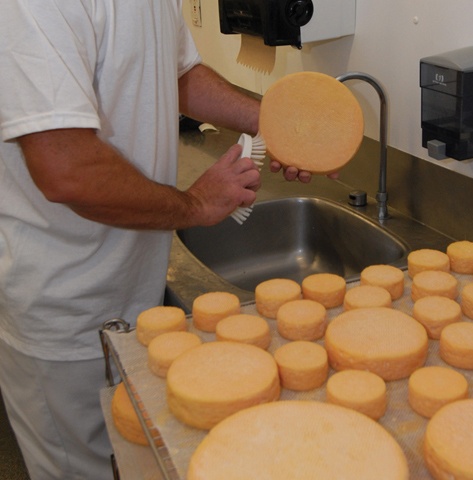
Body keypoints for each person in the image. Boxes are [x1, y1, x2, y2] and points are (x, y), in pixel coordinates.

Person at [0, 2, 313, 479]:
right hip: (66, 311)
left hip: (134, 296)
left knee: (137, 462)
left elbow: (177, 76)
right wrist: (194, 205)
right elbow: (66, 170)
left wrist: (271, 121)